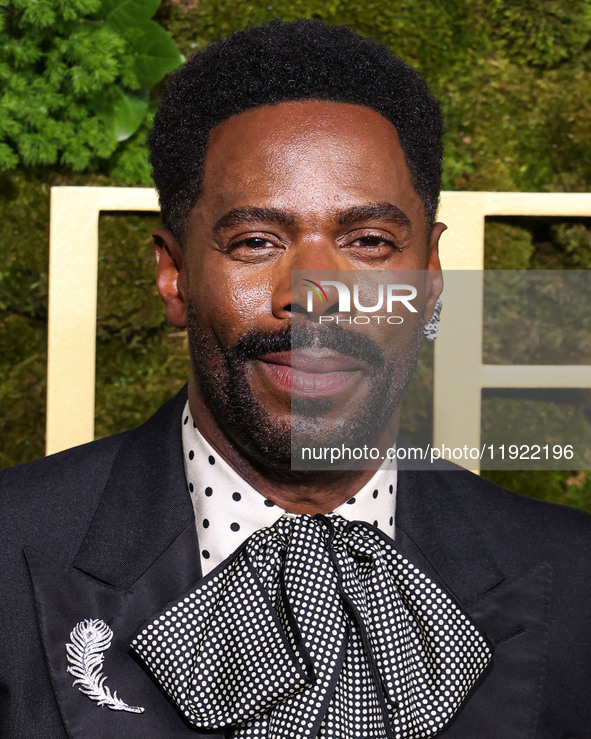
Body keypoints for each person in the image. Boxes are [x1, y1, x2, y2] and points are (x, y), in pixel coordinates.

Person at [1, 18, 589, 739]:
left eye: (368, 242)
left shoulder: (578, 580)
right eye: (255, 242)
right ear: (173, 274)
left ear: (431, 276)